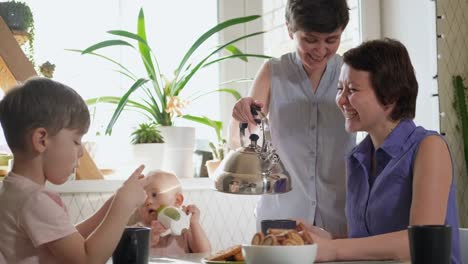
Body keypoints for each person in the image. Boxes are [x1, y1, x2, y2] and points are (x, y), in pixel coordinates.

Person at [308, 38, 461, 263]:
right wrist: (326, 238)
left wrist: (334, 248)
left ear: (390, 96)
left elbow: (420, 243)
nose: (340, 100)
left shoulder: (429, 147)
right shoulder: (357, 158)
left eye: (351, 90)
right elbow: (370, 243)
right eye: (340, 89)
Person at [230, 0, 356, 238]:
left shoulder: (350, 71)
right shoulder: (273, 72)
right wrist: (242, 116)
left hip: (342, 215)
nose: (320, 50)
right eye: (310, 39)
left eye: (331, 40)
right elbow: (242, 143)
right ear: (289, 29)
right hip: (282, 213)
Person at [0, 77, 148, 263]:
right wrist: (123, 205)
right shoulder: (35, 201)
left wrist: (115, 201)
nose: (81, 151)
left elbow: (69, 238)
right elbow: (87, 259)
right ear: (41, 140)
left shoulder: (13, 190)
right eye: (76, 141)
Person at [129, 170, 211, 255]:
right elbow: (125, 257)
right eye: (143, 197)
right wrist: (147, 240)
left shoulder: (184, 229)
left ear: (177, 201)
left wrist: (194, 224)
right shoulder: (134, 231)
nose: (148, 201)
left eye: (154, 195)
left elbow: (205, 254)